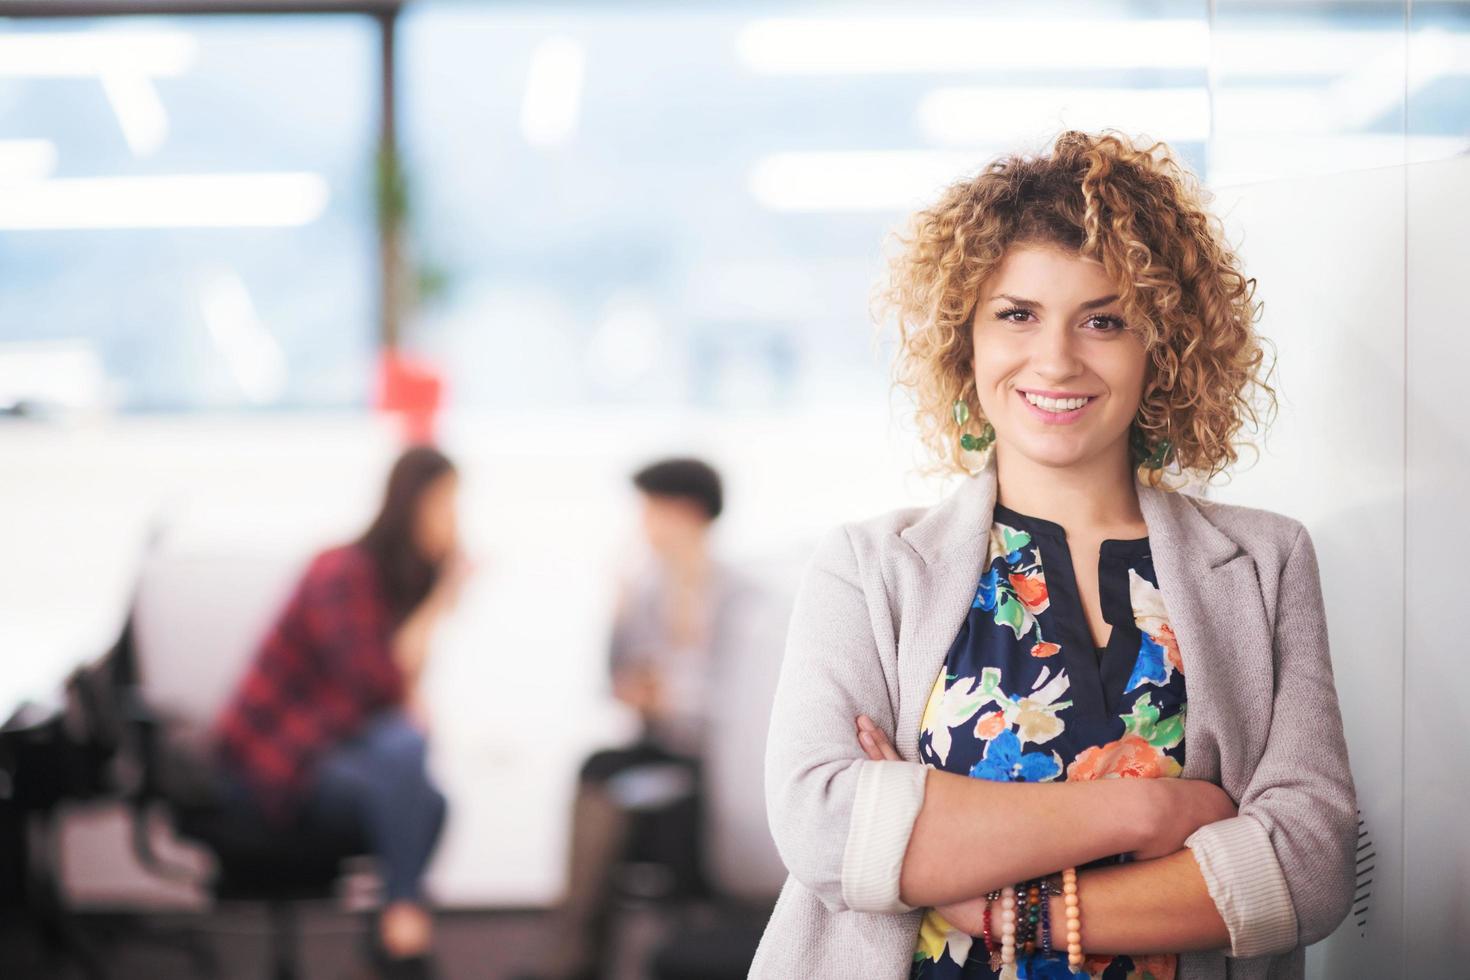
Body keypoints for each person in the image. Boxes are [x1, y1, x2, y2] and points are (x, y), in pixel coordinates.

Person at [751, 130, 1357, 980]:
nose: (1057, 358)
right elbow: (825, 826)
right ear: (968, 340)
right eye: (1017, 315)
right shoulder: (868, 567)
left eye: (1103, 320)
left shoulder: (1264, 563)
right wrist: (1147, 812)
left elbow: (1308, 866)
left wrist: (995, 902)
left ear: (1165, 347)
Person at [212, 444, 469, 978]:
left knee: (432, 801)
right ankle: (400, 924)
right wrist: (441, 597)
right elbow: (379, 689)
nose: (454, 523)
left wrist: (434, 595)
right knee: (408, 754)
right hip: (273, 764)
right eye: (446, 507)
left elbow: (396, 701)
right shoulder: (342, 571)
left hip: (334, 752)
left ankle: (395, 920)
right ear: (414, 504)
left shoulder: (388, 581)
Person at [524, 457, 751, 980]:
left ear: (688, 512)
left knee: (610, 780)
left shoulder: (738, 594)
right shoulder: (647, 589)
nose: (644, 525)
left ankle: (576, 956)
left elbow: (736, 700)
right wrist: (618, 609)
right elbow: (617, 679)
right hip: (662, 746)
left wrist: (669, 697)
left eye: (652, 510)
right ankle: (578, 948)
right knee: (598, 766)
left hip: (715, 759)